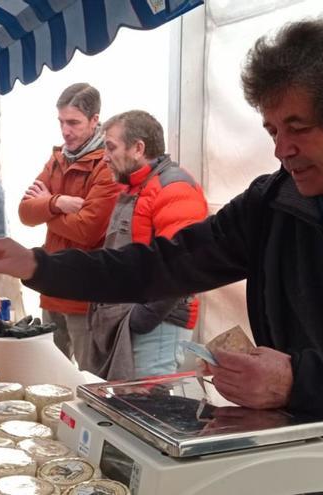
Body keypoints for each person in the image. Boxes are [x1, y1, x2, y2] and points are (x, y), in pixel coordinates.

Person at [0, 17, 323, 494]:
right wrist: (38, 266)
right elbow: (164, 263)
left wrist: (297, 379)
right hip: (312, 462)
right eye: (272, 129)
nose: (282, 149)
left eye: (297, 128)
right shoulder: (275, 201)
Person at [85, 110, 207, 379]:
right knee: (122, 406)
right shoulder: (134, 188)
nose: (105, 156)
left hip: (157, 325)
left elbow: (183, 265)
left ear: (138, 148)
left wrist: (141, 319)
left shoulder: (174, 187)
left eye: (110, 147)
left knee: (145, 409)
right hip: (131, 318)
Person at [18, 82, 120, 361]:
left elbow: (87, 231)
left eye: (73, 122)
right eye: (61, 121)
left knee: (87, 377)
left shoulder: (107, 165)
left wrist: (47, 211)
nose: (65, 130)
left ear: (95, 120)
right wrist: (57, 202)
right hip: (52, 287)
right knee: (49, 377)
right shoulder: (57, 159)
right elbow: (25, 213)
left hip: (85, 294)